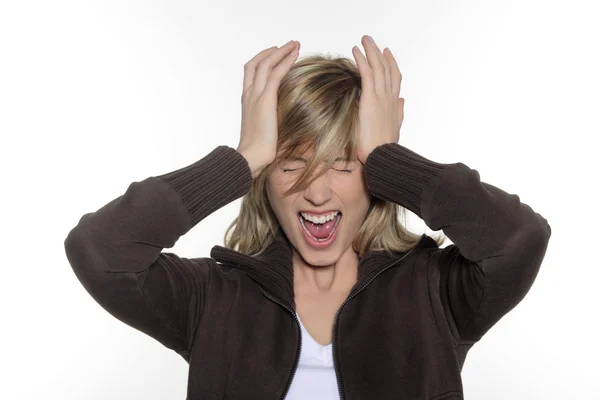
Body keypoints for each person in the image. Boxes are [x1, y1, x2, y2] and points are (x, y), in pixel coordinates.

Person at [64, 36, 551, 399]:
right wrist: (241, 159)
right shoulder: (212, 297)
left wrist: (388, 157)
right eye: (290, 163)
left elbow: (519, 239)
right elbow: (101, 250)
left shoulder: (435, 291)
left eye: (345, 164)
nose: (317, 192)